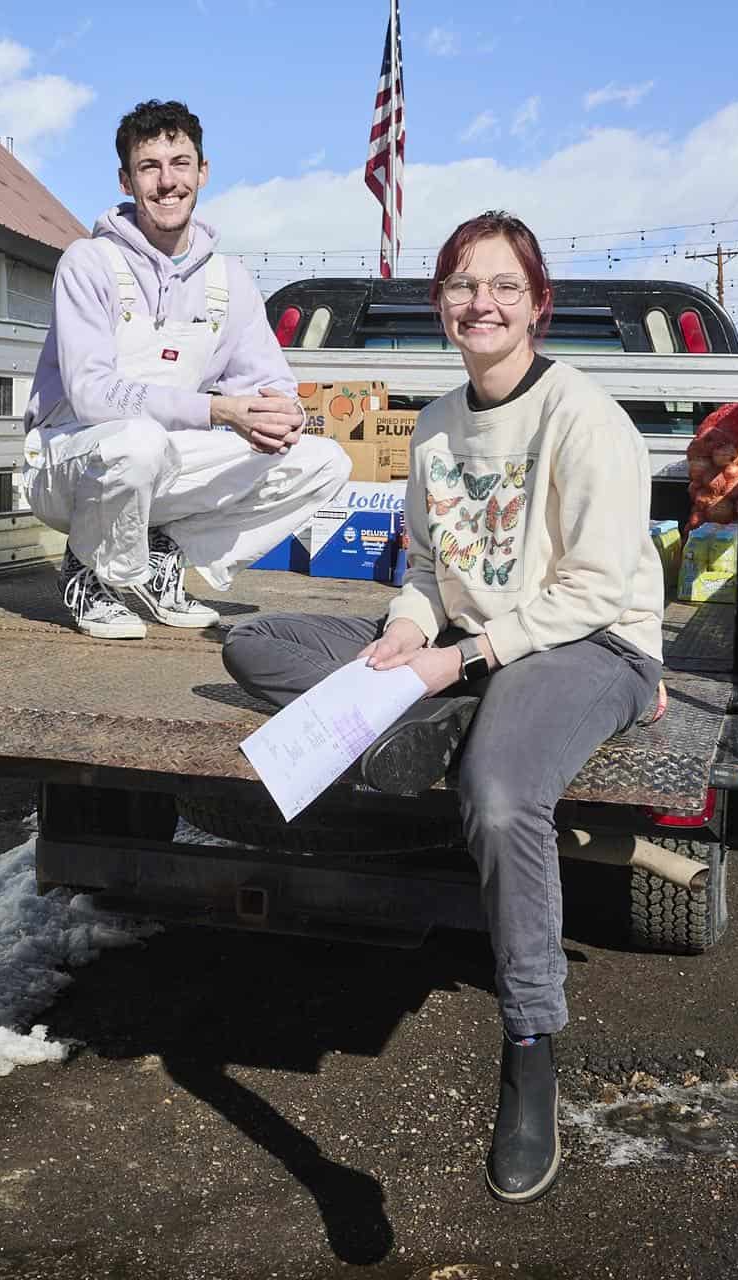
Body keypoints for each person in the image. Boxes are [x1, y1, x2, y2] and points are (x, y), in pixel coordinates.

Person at [221, 211, 666, 1204]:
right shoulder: (433, 424)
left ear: (538, 305)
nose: (483, 302)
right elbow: (429, 564)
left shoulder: (585, 418)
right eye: (464, 284)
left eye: (505, 285)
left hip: (587, 642)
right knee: (255, 644)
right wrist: (411, 629)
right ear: (442, 305)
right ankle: (455, 708)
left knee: (501, 792)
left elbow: (598, 587)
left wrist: (467, 651)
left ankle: (530, 1040)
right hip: (464, 653)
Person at [22, 99, 350, 639]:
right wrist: (219, 410)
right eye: (149, 167)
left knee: (324, 462)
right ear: (126, 180)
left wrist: (280, 412)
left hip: (163, 456)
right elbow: (92, 396)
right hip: (69, 461)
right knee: (135, 441)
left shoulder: (230, 280)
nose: (167, 181)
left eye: (180, 163)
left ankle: (161, 556)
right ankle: (88, 569)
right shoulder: (89, 262)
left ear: (203, 171)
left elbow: (271, 380)